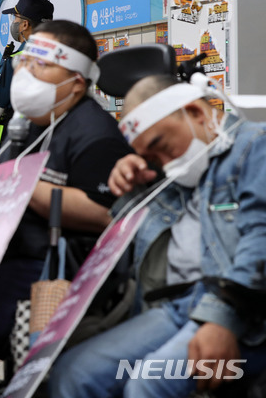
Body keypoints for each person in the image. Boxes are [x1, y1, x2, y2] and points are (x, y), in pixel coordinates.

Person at [0, 21, 133, 396]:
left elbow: (106, 214)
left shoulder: (95, 135)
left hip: (52, 272)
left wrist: (23, 185)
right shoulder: (27, 127)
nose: (27, 73)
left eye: (41, 66)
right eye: (25, 62)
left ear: (77, 81)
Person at [50, 74, 266, 398]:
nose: (167, 163)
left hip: (242, 312)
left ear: (195, 113)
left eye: (161, 146)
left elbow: (260, 239)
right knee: (74, 374)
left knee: (147, 385)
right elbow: (125, 237)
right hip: (178, 306)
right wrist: (133, 188)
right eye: (153, 159)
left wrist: (221, 320)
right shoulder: (180, 172)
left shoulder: (253, 147)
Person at [0, 0, 53, 155]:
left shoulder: (18, 60)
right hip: (54, 140)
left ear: (25, 24)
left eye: (15, 18)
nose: (13, 23)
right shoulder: (61, 56)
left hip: (18, 142)